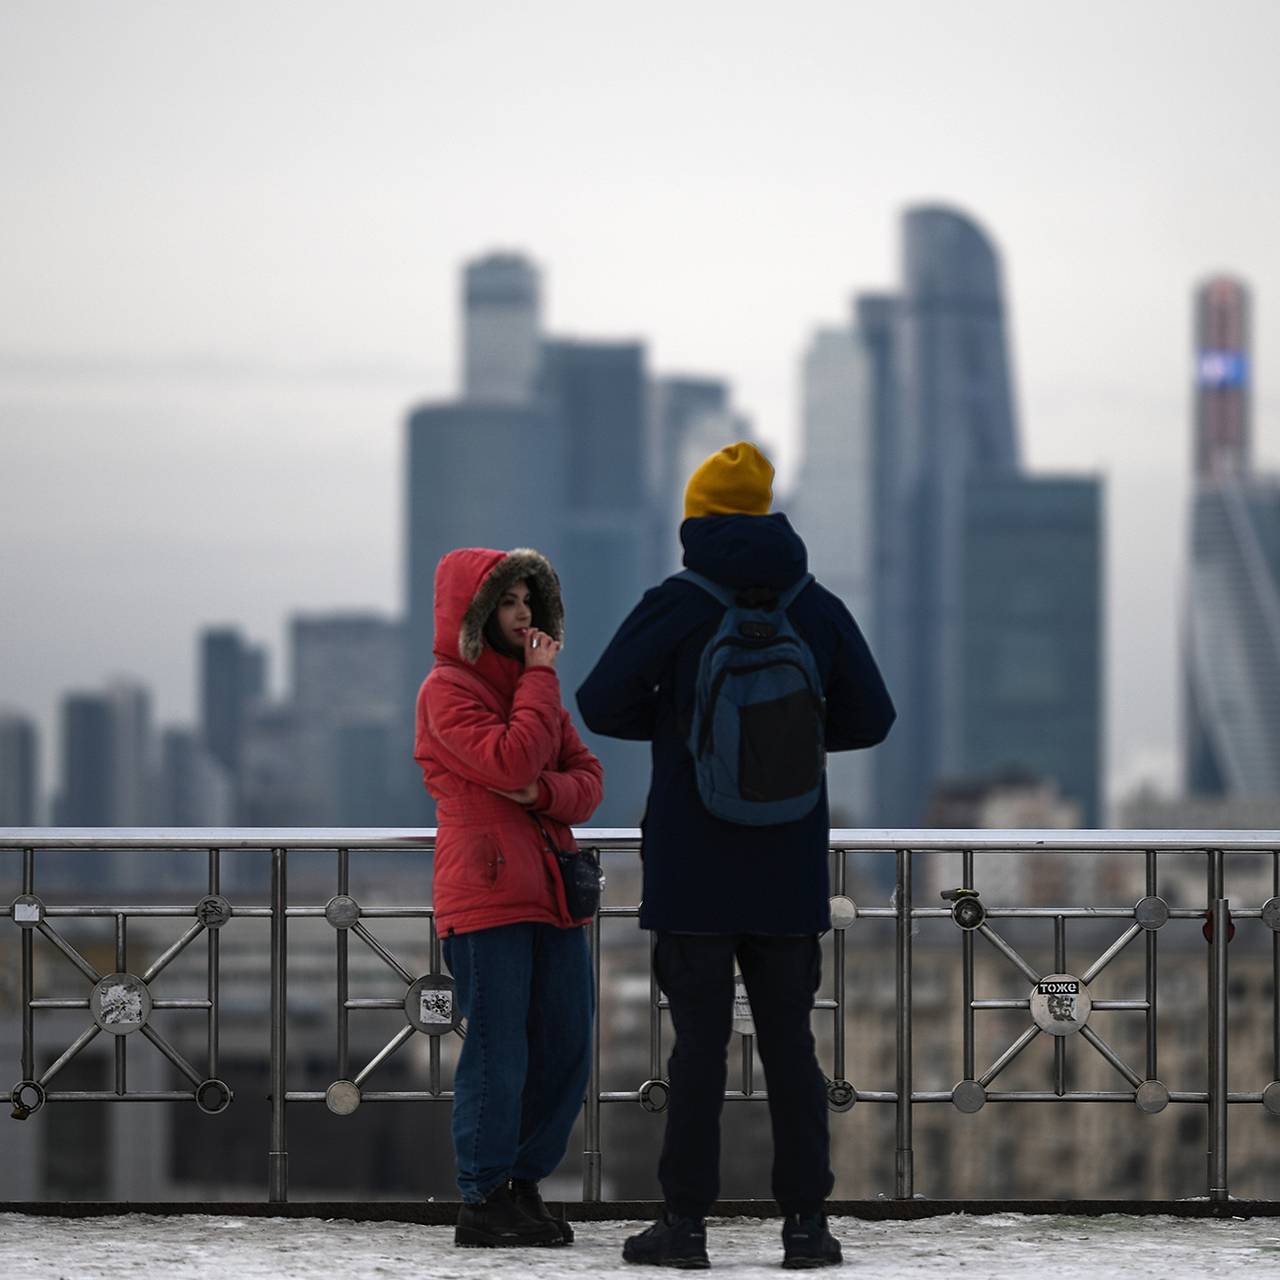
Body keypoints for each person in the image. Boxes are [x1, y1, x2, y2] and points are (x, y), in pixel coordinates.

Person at [577, 442, 895, 1270]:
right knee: (792, 1047)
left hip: (693, 866)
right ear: (766, 513)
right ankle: (806, 1230)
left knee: (697, 1053)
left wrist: (683, 727)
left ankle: (684, 1229)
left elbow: (600, 699)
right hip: (788, 866)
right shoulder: (813, 605)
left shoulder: (677, 603)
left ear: (697, 519)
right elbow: (874, 718)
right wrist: (792, 736)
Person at [415, 546, 604, 1249]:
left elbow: (586, 777)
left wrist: (543, 793)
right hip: (488, 892)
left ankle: (523, 1185)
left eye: (529, 601)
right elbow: (512, 758)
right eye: (508, 603)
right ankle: (484, 1198)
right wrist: (538, 687)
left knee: (565, 1043)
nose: (524, 615)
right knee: (500, 1052)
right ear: (474, 613)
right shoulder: (447, 690)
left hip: (553, 890)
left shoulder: (536, 686)